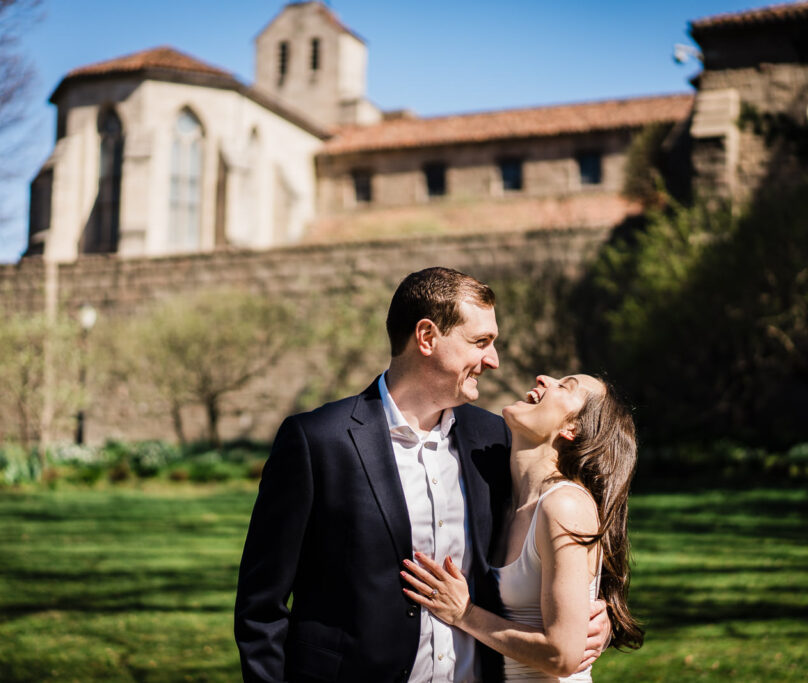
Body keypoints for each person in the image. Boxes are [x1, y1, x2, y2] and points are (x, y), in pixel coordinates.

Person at [234, 267, 611, 682]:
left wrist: (602, 614)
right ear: (427, 337)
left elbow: (570, 536)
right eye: (480, 342)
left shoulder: (496, 441)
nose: (494, 360)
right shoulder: (318, 441)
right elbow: (261, 607)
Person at [401, 373, 644, 681]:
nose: (543, 378)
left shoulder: (563, 505)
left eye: (564, 386)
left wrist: (465, 613)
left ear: (573, 428)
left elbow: (562, 656)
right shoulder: (505, 500)